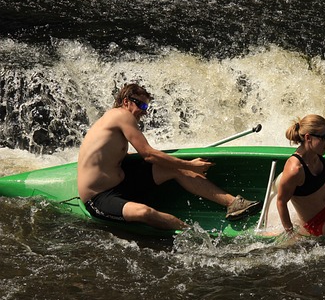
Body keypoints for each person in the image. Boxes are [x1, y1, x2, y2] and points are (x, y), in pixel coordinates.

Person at [77, 83, 261, 230]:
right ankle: (191, 234)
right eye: (140, 104)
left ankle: (234, 203)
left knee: (175, 168)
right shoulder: (121, 115)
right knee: (144, 212)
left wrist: (180, 165)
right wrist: (190, 165)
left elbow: (120, 154)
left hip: (121, 182)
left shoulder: (114, 120)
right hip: (99, 197)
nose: (144, 110)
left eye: (146, 106)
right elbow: (148, 154)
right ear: (126, 101)